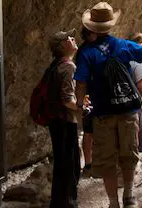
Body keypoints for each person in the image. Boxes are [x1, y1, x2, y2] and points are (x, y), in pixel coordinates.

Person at [74, 2, 142, 208]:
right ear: (110, 25)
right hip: (128, 110)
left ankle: (112, 203)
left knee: (108, 160)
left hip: (102, 114)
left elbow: (81, 83)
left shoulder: (85, 52)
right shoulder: (122, 45)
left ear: (91, 27)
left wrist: (80, 108)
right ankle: (129, 195)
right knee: (129, 153)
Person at [47, 29, 84, 208]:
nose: (73, 39)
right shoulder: (69, 66)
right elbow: (67, 99)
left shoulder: (54, 65)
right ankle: (68, 204)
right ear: (63, 45)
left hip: (56, 121)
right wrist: (81, 107)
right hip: (65, 121)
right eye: (69, 38)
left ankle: (58, 203)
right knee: (71, 166)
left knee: (61, 165)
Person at [127, 32, 142, 153]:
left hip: (122, 99)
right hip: (134, 100)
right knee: (136, 134)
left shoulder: (124, 56)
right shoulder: (139, 61)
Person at [80, 27, 97, 177]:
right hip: (90, 96)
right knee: (90, 131)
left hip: (93, 95)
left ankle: (91, 164)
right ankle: (89, 164)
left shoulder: (83, 50)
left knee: (90, 132)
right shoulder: (85, 51)